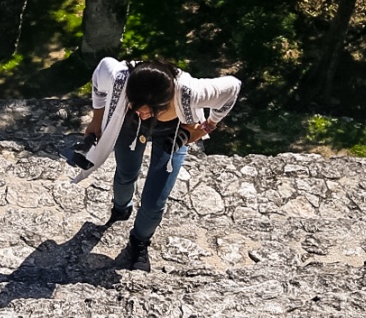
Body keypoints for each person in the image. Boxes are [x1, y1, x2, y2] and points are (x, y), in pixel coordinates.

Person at [69, 56, 242, 271]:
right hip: (129, 125)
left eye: (148, 111)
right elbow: (99, 75)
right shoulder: (121, 78)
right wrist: (96, 119)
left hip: (174, 132)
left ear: (167, 101)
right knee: (126, 172)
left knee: (154, 202)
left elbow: (233, 87)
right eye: (136, 106)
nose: (142, 113)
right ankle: (121, 208)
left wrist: (209, 124)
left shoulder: (191, 92)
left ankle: (139, 241)